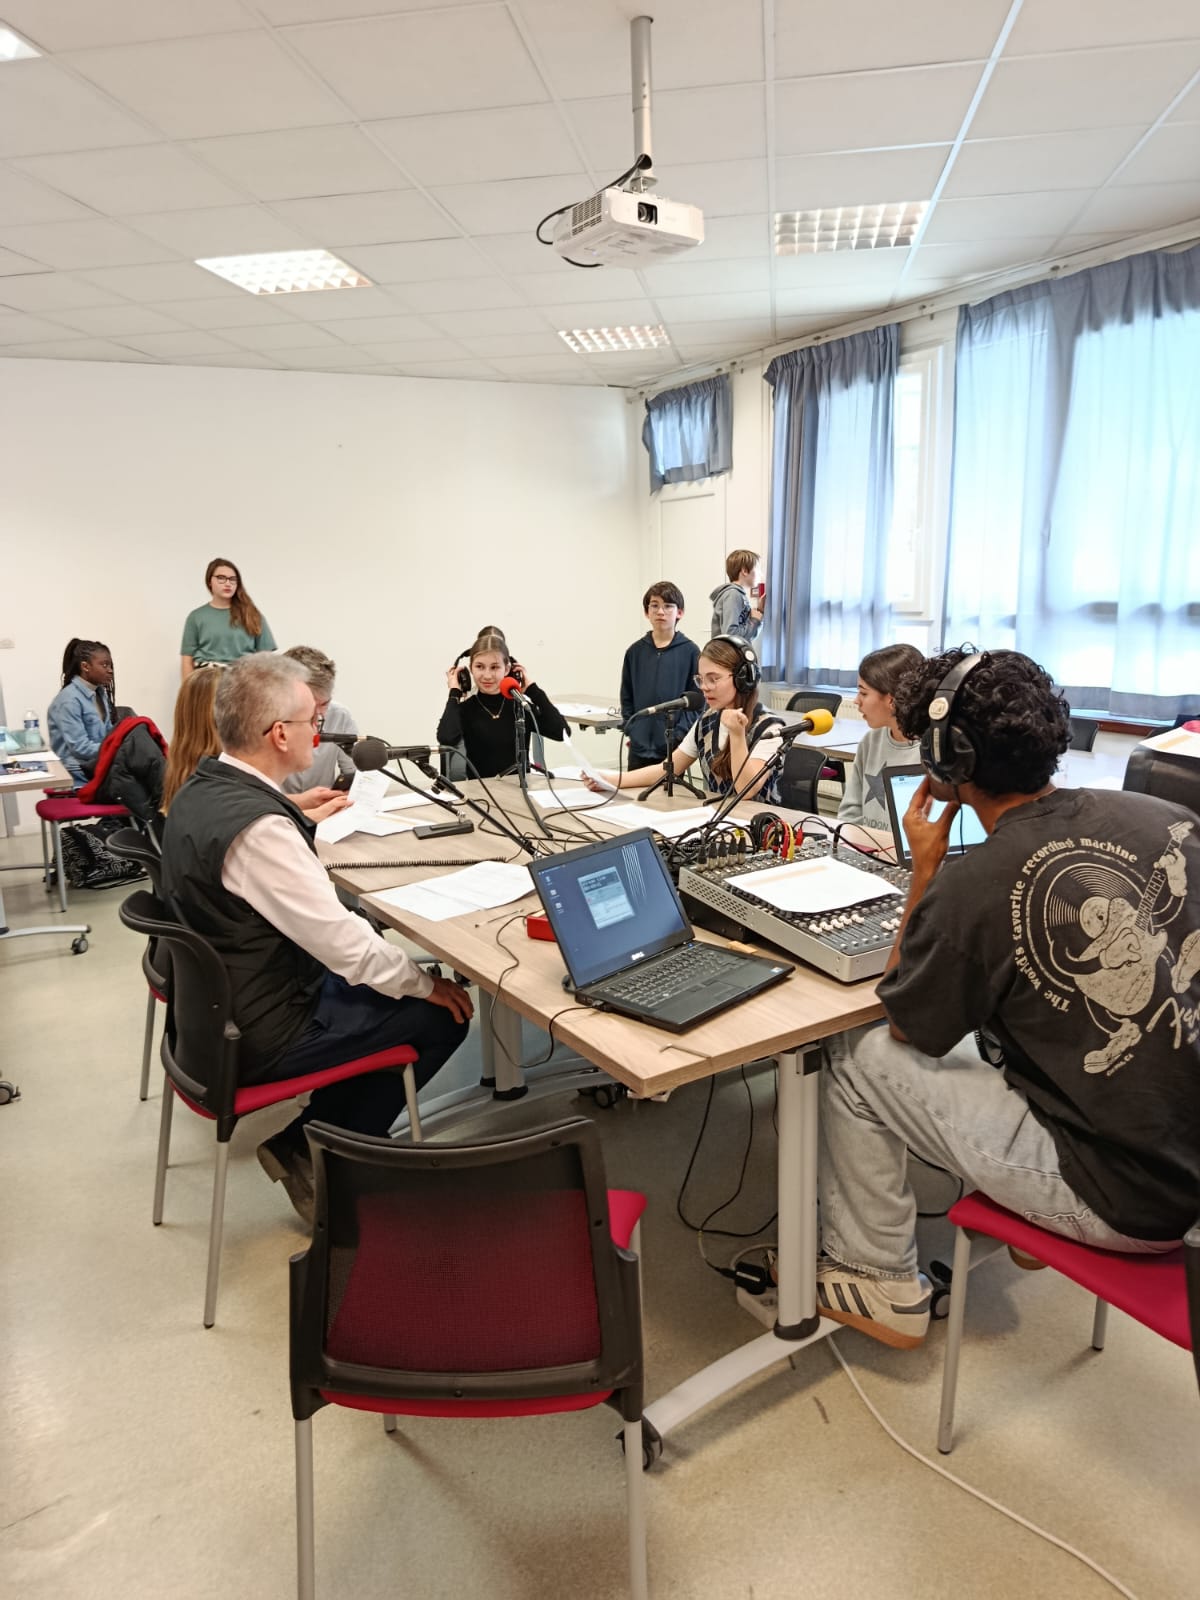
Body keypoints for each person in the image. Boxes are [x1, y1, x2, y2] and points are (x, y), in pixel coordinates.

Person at [816, 647, 1200, 1352]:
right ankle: (1030, 1221)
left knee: (858, 1058)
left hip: (1127, 1202)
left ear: (944, 756)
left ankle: (878, 1278)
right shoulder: (1167, 817)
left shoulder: (976, 884)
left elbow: (905, 1024)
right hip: (1183, 1160)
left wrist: (925, 871)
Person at [160, 655, 474, 1223]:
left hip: (208, 1020)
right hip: (262, 1031)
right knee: (437, 1016)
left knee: (388, 990)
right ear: (280, 734)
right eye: (313, 721)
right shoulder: (261, 832)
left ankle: (315, 1138)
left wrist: (289, 808)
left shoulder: (202, 788)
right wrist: (425, 985)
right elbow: (348, 949)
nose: (321, 732)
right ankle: (312, 1148)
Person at [586, 636, 784, 805]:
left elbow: (745, 790)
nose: (704, 687)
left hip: (760, 829)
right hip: (719, 820)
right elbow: (667, 769)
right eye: (701, 679)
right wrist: (610, 779)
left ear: (743, 678)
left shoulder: (770, 728)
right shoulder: (707, 721)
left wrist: (737, 734)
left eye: (713, 679)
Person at [162, 665, 349, 826]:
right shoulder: (217, 776)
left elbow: (249, 806)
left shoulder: (187, 765)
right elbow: (252, 824)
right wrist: (317, 814)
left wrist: (301, 801)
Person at [47, 637, 167, 825]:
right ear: (85, 667)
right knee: (137, 739)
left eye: (110, 665)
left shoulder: (100, 693)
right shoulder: (68, 701)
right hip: (82, 775)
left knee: (137, 731)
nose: (110, 670)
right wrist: (117, 748)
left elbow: (110, 735)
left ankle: (162, 808)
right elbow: (80, 749)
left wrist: (118, 745)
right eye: (104, 665)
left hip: (102, 766)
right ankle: (165, 807)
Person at [437, 628, 569, 780]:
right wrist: (454, 691)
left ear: (507, 669)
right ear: (470, 670)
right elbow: (446, 739)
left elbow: (562, 733)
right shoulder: (465, 709)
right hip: (481, 793)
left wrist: (532, 689)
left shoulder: (520, 706)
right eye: (479, 667)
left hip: (520, 790)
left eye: (494, 667)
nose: (487, 675)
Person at [837, 643, 925, 833]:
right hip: (870, 854)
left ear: (892, 700)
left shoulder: (932, 750)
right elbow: (850, 813)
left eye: (863, 693)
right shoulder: (870, 742)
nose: (856, 701)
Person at [619, 581, 701, 770]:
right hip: (639, 748)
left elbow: (698, 702)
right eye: (654, 606)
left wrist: (678, 734)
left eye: (668, 606)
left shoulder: (691, 652)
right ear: (647, 612)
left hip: (672, 748)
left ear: (679, 612)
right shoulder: (635, 651)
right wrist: (632, 728)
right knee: (634, 797)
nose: (660, 612)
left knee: (667, 798)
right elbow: (627, 696)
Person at [180, 557, 276, 679]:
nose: (228, 583)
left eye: (232, 579)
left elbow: (266, 659)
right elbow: (187, 660)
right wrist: (188, 693)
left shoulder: (252, 615)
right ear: (210, 581)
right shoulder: (196, 617)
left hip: (242, 682)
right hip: (205, 683)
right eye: (221, 578)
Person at [280, 645, 357, 796]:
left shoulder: (340, 715)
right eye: (312, 704)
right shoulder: (263, 719)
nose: (319, 715)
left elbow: (354, 773)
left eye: (325, 704)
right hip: (275, 812)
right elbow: (252, 793)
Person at [710, 548, 764, 641]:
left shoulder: (738, 594)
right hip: (726, 654)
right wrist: (754, 621)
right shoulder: (733, 594)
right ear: (745, 571)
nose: (761, 574)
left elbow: (747, 637)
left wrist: (759, 612)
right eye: (758, 569)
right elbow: (731, 634)